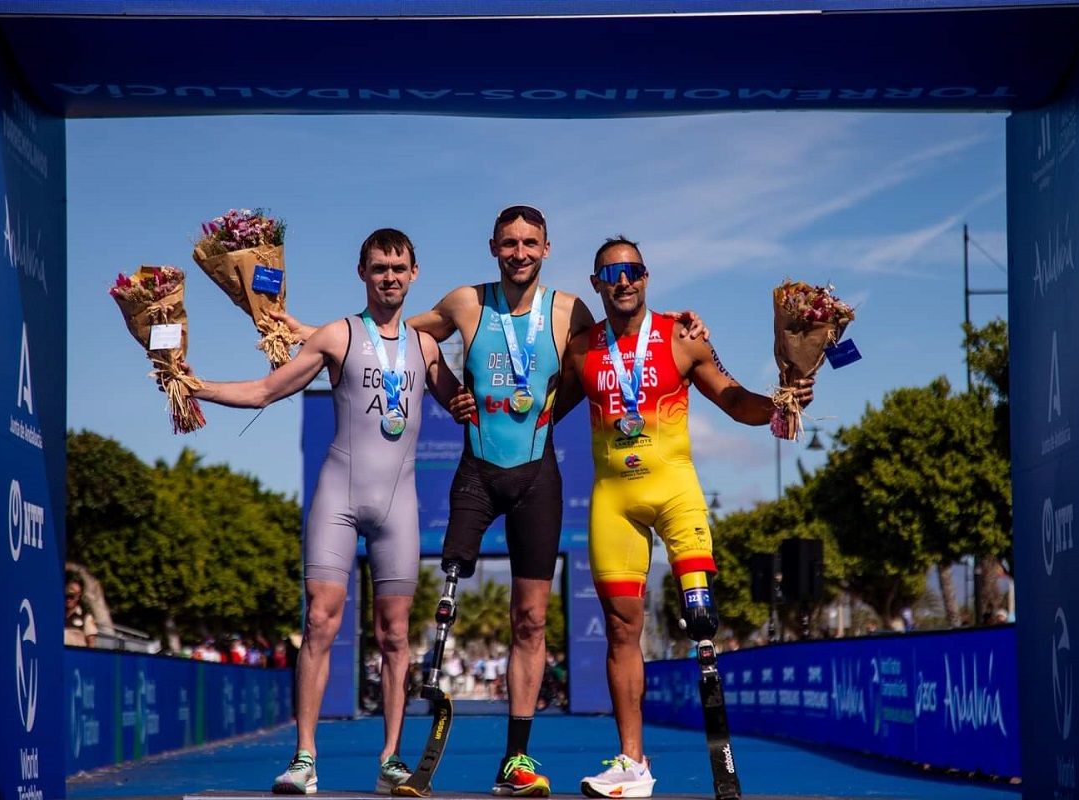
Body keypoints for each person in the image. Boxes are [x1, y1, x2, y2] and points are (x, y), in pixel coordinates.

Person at [284, 207, 705, 796]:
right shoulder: (464, 303)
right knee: (444, 609)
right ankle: (396, 751)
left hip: (539, 475)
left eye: (530, 242)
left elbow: (622, 335)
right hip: (477, 473)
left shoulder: (570, 311)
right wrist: (305, 332)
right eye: (509, 243)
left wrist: (684, 326)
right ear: (493, 247)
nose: (520, 252)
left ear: (547, 248)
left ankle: (515, 762)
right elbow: (395, 332)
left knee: (530, 620)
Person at [187, 228, 463, 796]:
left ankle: (391, 760)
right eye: (379, 267)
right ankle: (304, 758)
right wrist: (196, 386)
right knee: (319, 621)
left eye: (399, 268)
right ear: (362, 273)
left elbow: (463, 403)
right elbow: (267, 389)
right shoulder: (338, 336)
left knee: (393, 635)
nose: (389, 276)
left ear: (414, 275)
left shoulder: (427, 348)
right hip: (338, 496)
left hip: (398, 506)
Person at [553, 236, 815, 798]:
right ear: (598, 284)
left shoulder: (682, 337)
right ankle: (633, 763)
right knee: (623, 630)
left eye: (633, 270)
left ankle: (718, 747)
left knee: (700, 616)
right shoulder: (581, 350)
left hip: (676, 492)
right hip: (613, 500)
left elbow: (734, 400)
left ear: (647, 277)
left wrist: (783, 402)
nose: (624, 280)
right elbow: (544, 413)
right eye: (611, 272)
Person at [64, 575, 98, 647]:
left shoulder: (86, 617)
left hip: (76, 656)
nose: (68, 600)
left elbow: (91, 643)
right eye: (67, 596)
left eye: (72, 597)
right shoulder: (58, 616)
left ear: (78, 597)